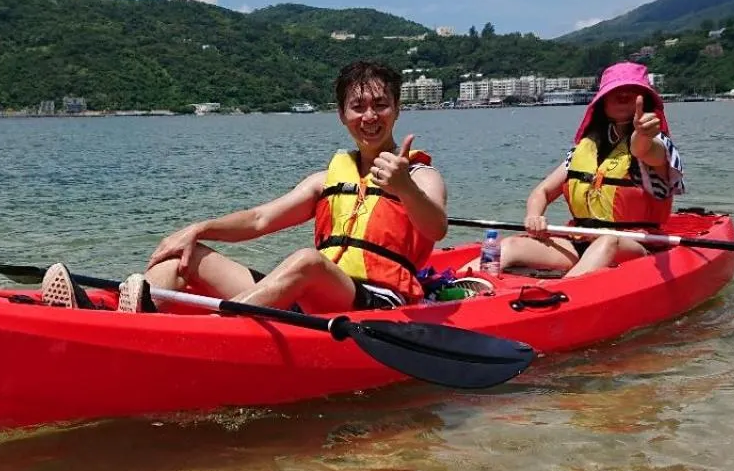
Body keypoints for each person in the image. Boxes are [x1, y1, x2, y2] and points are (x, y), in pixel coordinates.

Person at [39, 60, 448, 314]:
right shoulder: (326, 180)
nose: (370, 116)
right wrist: (199, 228)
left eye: (381, 105)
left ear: (397, 109)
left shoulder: (418, 177)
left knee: (306, 261)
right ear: (342, 115)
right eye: (358, 107)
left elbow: (436, 228)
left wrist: (403, 189)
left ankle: (216, 330)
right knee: (185, 257)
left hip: (376, 301)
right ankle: (101, 319)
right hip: (311, 299)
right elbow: (259, 220)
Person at [471, 61, 684, 279]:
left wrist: (643, 134)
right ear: (602, 102)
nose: (623, 97)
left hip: (637, 247)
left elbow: (644, 150)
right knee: (511, 244)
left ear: (645, 101)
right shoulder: (585, 148)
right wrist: (534, 215)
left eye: (632, 92)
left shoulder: (657, 143)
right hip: (582, 242)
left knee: (608, 240)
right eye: (616, 92)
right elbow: (543, 192)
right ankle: (456, 285)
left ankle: (562, 295)